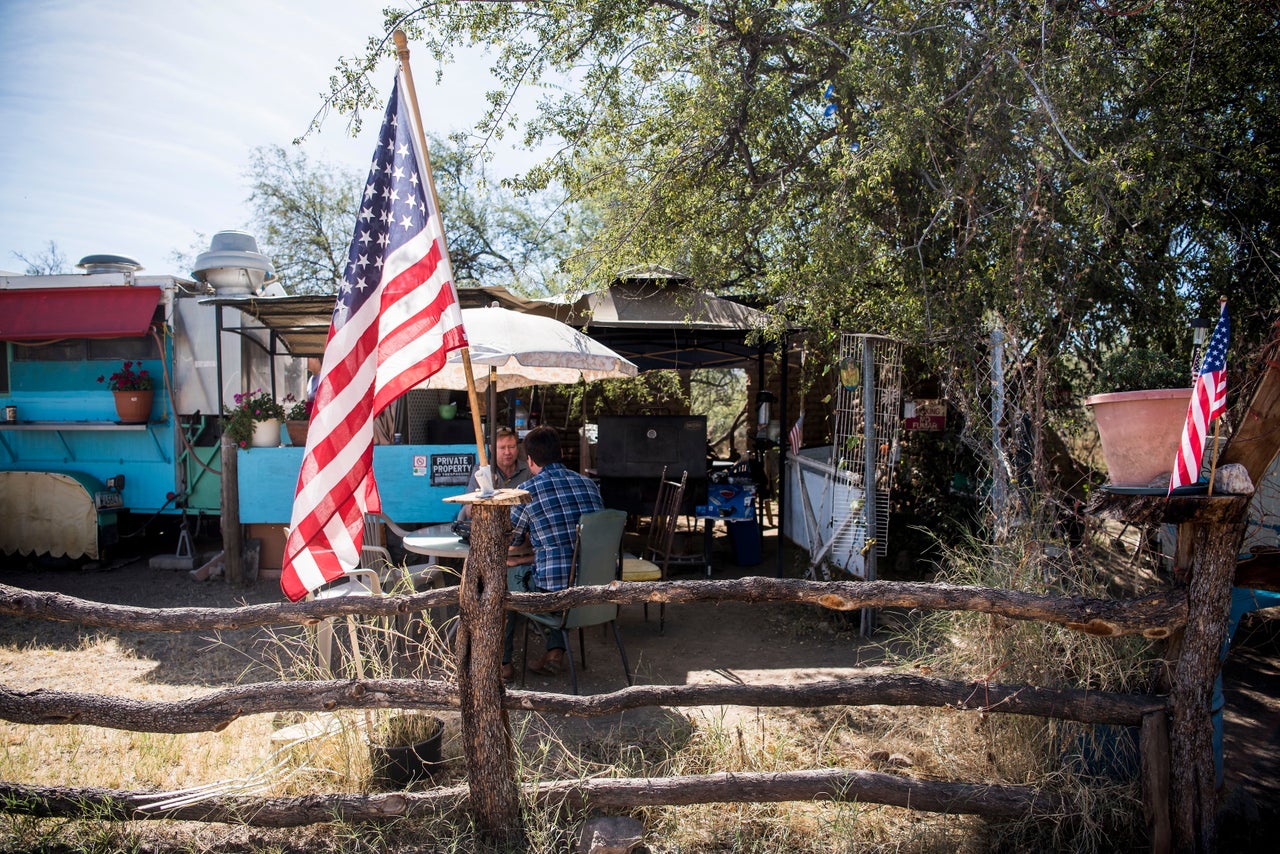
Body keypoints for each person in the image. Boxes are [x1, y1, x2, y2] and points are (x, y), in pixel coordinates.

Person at [502, 424, 603, 680]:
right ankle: (555, 650)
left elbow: (510, 543)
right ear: (561, 453)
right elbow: (574, 545)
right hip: (596, 588)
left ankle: (503, 663)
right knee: (558, 570)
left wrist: (522, 551)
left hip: (556, 595)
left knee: (507, 579)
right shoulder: (590, 486)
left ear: (530, 460)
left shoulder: (527, 492)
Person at [456, 427, 533, 519]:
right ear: (491, 449)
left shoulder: (528, 470)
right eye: (502, 448)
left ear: (518, 448)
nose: (507, 452)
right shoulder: (481, 471)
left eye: (512, 447)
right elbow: (468, 509)